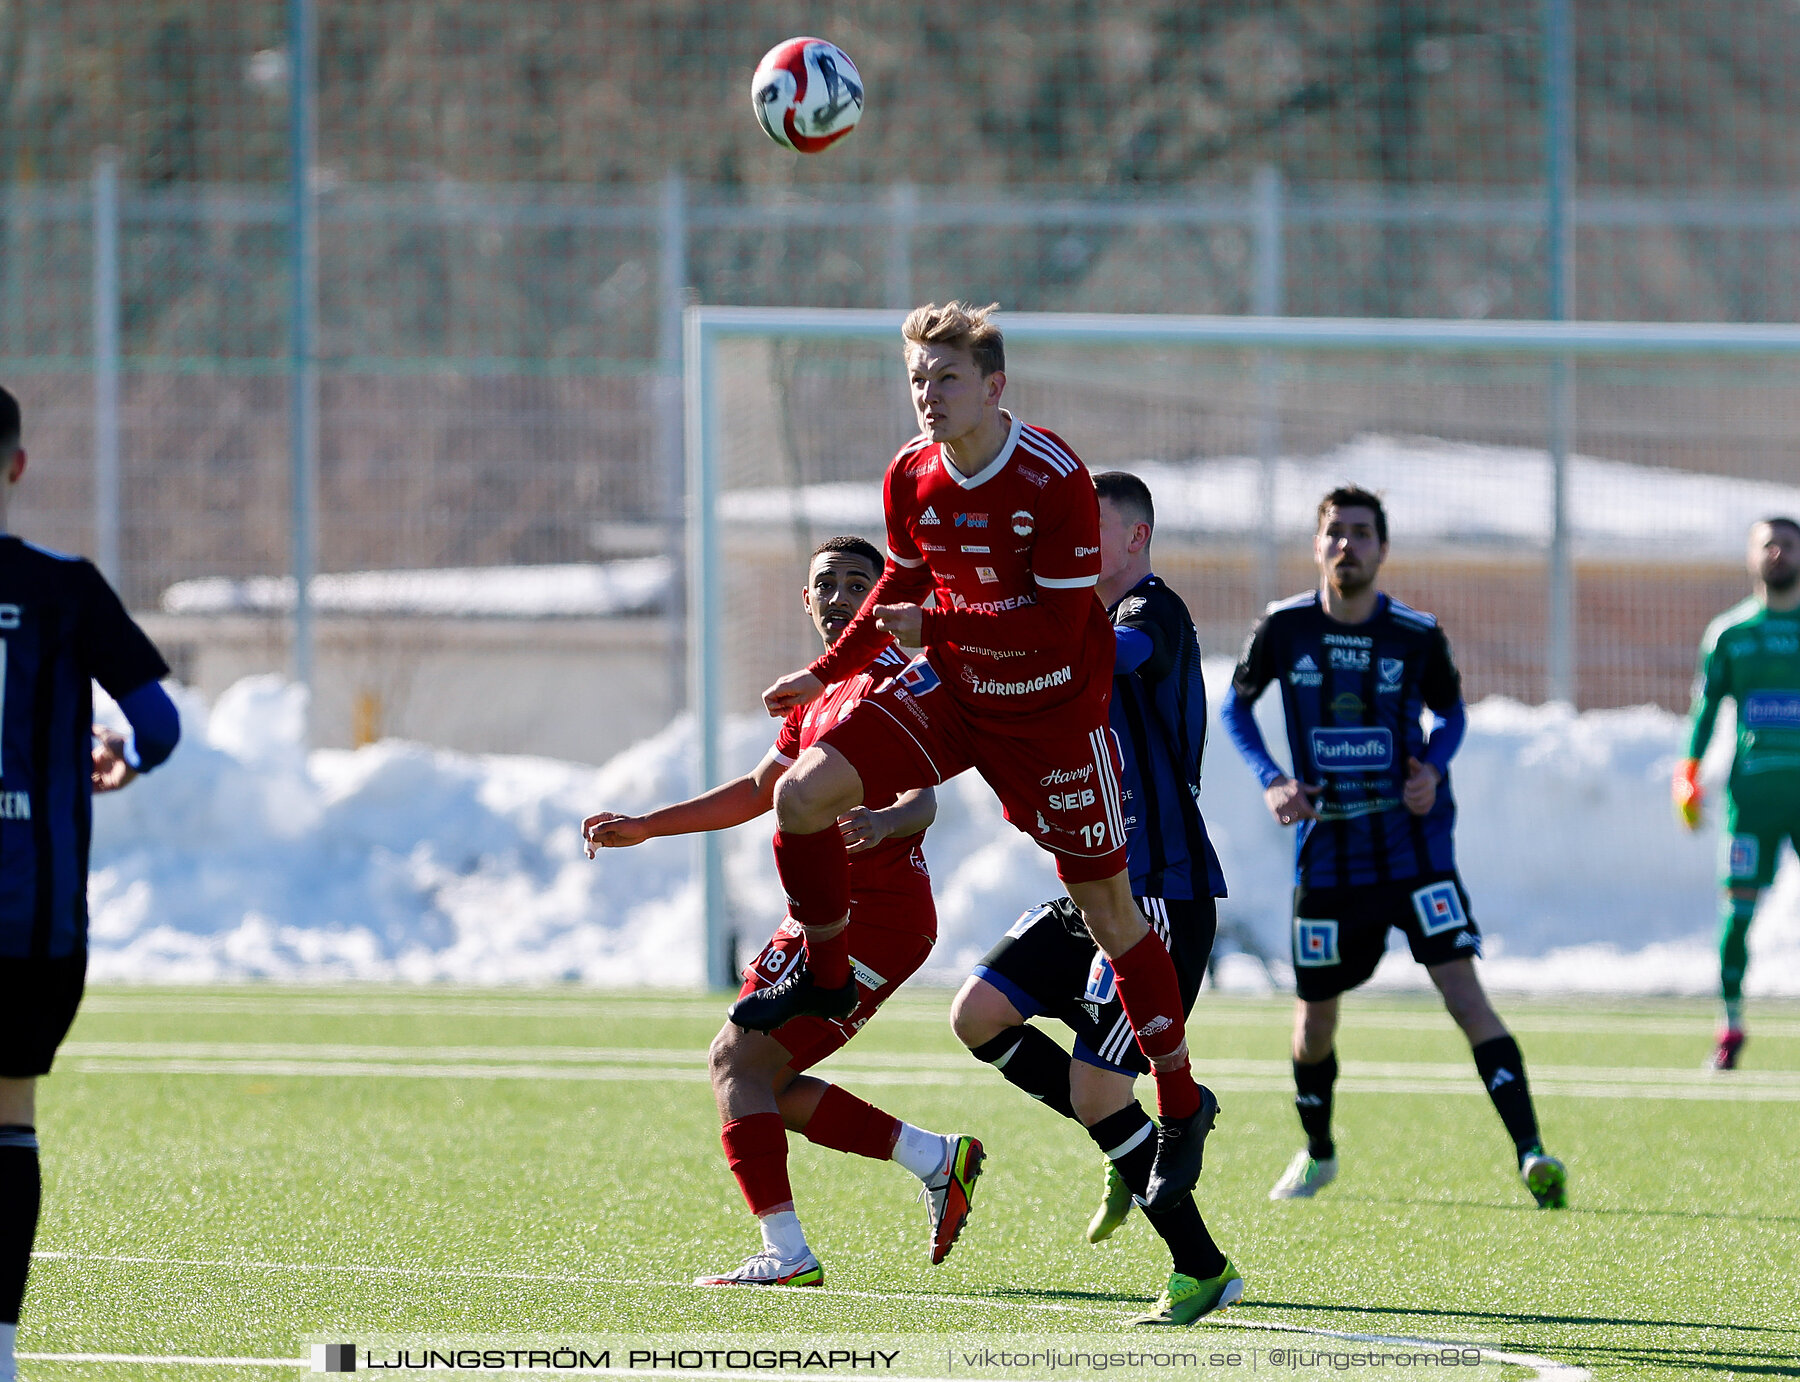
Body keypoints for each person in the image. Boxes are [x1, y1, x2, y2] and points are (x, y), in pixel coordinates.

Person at [755, 303, 1212, 1211]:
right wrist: (823, 675)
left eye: (947, 378)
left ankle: (1180, 1097)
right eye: (919, 379)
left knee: (1116, 918)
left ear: (994, 387)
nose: (928, 395)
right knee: (801, 798)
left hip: (1052, 718)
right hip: (957, 694)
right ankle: (829, 967)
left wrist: (940, 624)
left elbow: (1053, 629)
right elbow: (900, 580)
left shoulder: (1053, 477)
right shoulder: (910, 474)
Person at [582, 536, 980, 1288]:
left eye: (856, 584)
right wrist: (646, 824)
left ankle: (787, 1252)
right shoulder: (815, 699)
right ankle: (936, 1159)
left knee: (738, 1061)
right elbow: (757, 789)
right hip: (829, 915)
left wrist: (886, 824)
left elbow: (922, 793)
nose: (838, 598)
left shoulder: (894, 673)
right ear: (806, 601)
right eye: (824, 585)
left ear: (881, 602)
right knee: (764, 1078)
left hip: (879, 917)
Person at [1220, 486, 1566, 1210]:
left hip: (1413, 854)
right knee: (1315, 1019)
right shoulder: (1284, 628)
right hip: (1327, 857)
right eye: (1335, 533)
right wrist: (1272, 779)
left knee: (1466, 997)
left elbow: (1453, 714)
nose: (1347, 545)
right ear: (1318, 546)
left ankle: (1532, 1152)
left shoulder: (1414, 633)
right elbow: (1236, 705)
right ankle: (1318, 1153)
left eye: (1361, 534)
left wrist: (1433, 769)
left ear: (1383, 548)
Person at [949, 471, 1241, 1326]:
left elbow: (1110, 657)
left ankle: (1202, 1267)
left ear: (1135, 539)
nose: (1066, 545)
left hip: (1156, 895)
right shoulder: (1071, 627)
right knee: (978, 1016)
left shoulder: (1152, 613)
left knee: (1099, 1093)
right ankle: (1123, 1139)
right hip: (1090, 891)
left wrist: (987, 631)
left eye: (1089, 529)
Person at [0, 384, 181, 1382]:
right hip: (28, 924)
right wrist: (120, 758)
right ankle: (1, 1350)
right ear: (17, 467)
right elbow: (157, 725)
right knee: (10, 1115)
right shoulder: (65, 589)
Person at [1673, 516, 1800, 1071]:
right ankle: (1731, 1026)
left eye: (1788, 544)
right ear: (1751, 556)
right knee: (1738, 914)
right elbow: (1705, 712)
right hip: (1753, 798)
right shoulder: (1730, 633)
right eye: (1767, 544)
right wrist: (1688, 771)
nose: (1777, 553)